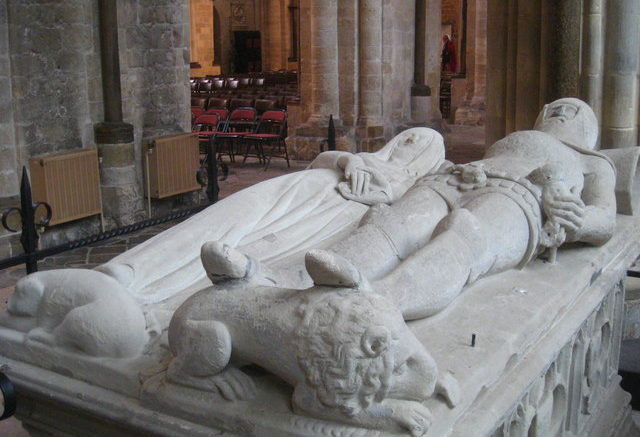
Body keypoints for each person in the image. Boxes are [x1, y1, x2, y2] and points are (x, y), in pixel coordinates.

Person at [216, 98, 616, 320]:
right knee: (392, 225)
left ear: (587, 130)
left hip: (524, 199)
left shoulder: (592, 162)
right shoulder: (514, 138)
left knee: (466, 233)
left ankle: (373, 305)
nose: (561, 111)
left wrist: (578, 221)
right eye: (556, 106)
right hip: (460, 177)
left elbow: (605, 218)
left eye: (573, 110)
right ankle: (282, 281)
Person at [96, 128, 446, 305]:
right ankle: (131, 270)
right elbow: (324, 160)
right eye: (407, 137)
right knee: (220, 220)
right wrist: (347, 160)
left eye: (417, 142)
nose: (405, 142)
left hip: (326, 217)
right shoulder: (367, 156)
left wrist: (381, 193)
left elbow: (409, 209)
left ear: (427, 157)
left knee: (249, 251)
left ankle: (159, 297)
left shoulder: (416, 186)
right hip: (299, 187)